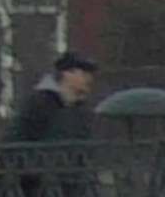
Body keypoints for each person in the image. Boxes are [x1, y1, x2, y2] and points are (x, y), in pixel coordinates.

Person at [5, 51, 98, 192]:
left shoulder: (82, 109)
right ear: (68, 74)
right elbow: (16, 139)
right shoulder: (39, 102)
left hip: (74, 182)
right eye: (84, 74)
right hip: (40, 183)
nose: (89, 79)